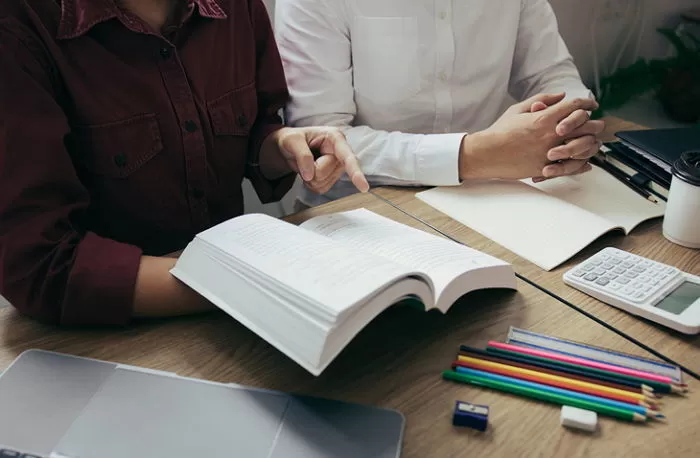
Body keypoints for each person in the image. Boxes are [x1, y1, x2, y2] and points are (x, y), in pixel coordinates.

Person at [0, 0, 368, 326]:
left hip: (238, 309)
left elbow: (254, 128)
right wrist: (248, 282)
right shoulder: (19, 27)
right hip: (100, 333)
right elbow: (37, 265)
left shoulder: (237, 8)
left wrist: (283, 146)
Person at [274, 0, 606, 209]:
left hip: (493, 200)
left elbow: (552, 76)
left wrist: (566, 128)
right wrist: (473, 154)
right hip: (359, 210)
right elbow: (320, 138)